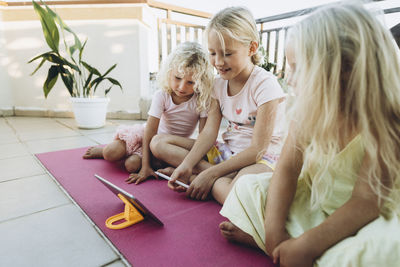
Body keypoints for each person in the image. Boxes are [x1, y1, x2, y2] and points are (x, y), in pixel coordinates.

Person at [219, 2, 400, 267]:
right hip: (317, 202)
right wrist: (273, 233)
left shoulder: (386, 121)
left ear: (346, 69)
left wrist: (308, 243)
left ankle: (300, 247)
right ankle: (285, 246)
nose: (288, 79)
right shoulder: (306, 111)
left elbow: (365, 202)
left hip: (366, 215)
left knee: (387, 249)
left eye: (297, 68)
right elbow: (288, 169)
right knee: (248, 188)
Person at [151, 7, 286, 204]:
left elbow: (258, 148)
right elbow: (208, 134)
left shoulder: (265, 84)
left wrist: (210, 174)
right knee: (158, 143)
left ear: (251, 48)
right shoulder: (218, 84)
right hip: (228, 153)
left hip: (260, 159)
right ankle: (209, 176)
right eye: (213, 53)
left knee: (236, 194)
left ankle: (209, 178)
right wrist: (187, 165)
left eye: (227, 54)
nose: (218, 62)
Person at [83, 42, 214, 184]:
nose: (182, 87)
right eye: (177, 78)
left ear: (201, 81)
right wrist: (145, 167)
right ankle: (103, 151)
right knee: (111, 153)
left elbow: (203, 136)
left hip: (170, 146)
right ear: (169, 72)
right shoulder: (162, 95)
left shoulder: (201, 100)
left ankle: (139, 158)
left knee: (131, 165)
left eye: (191, 82)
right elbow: (150, 132)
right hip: (146, 138)